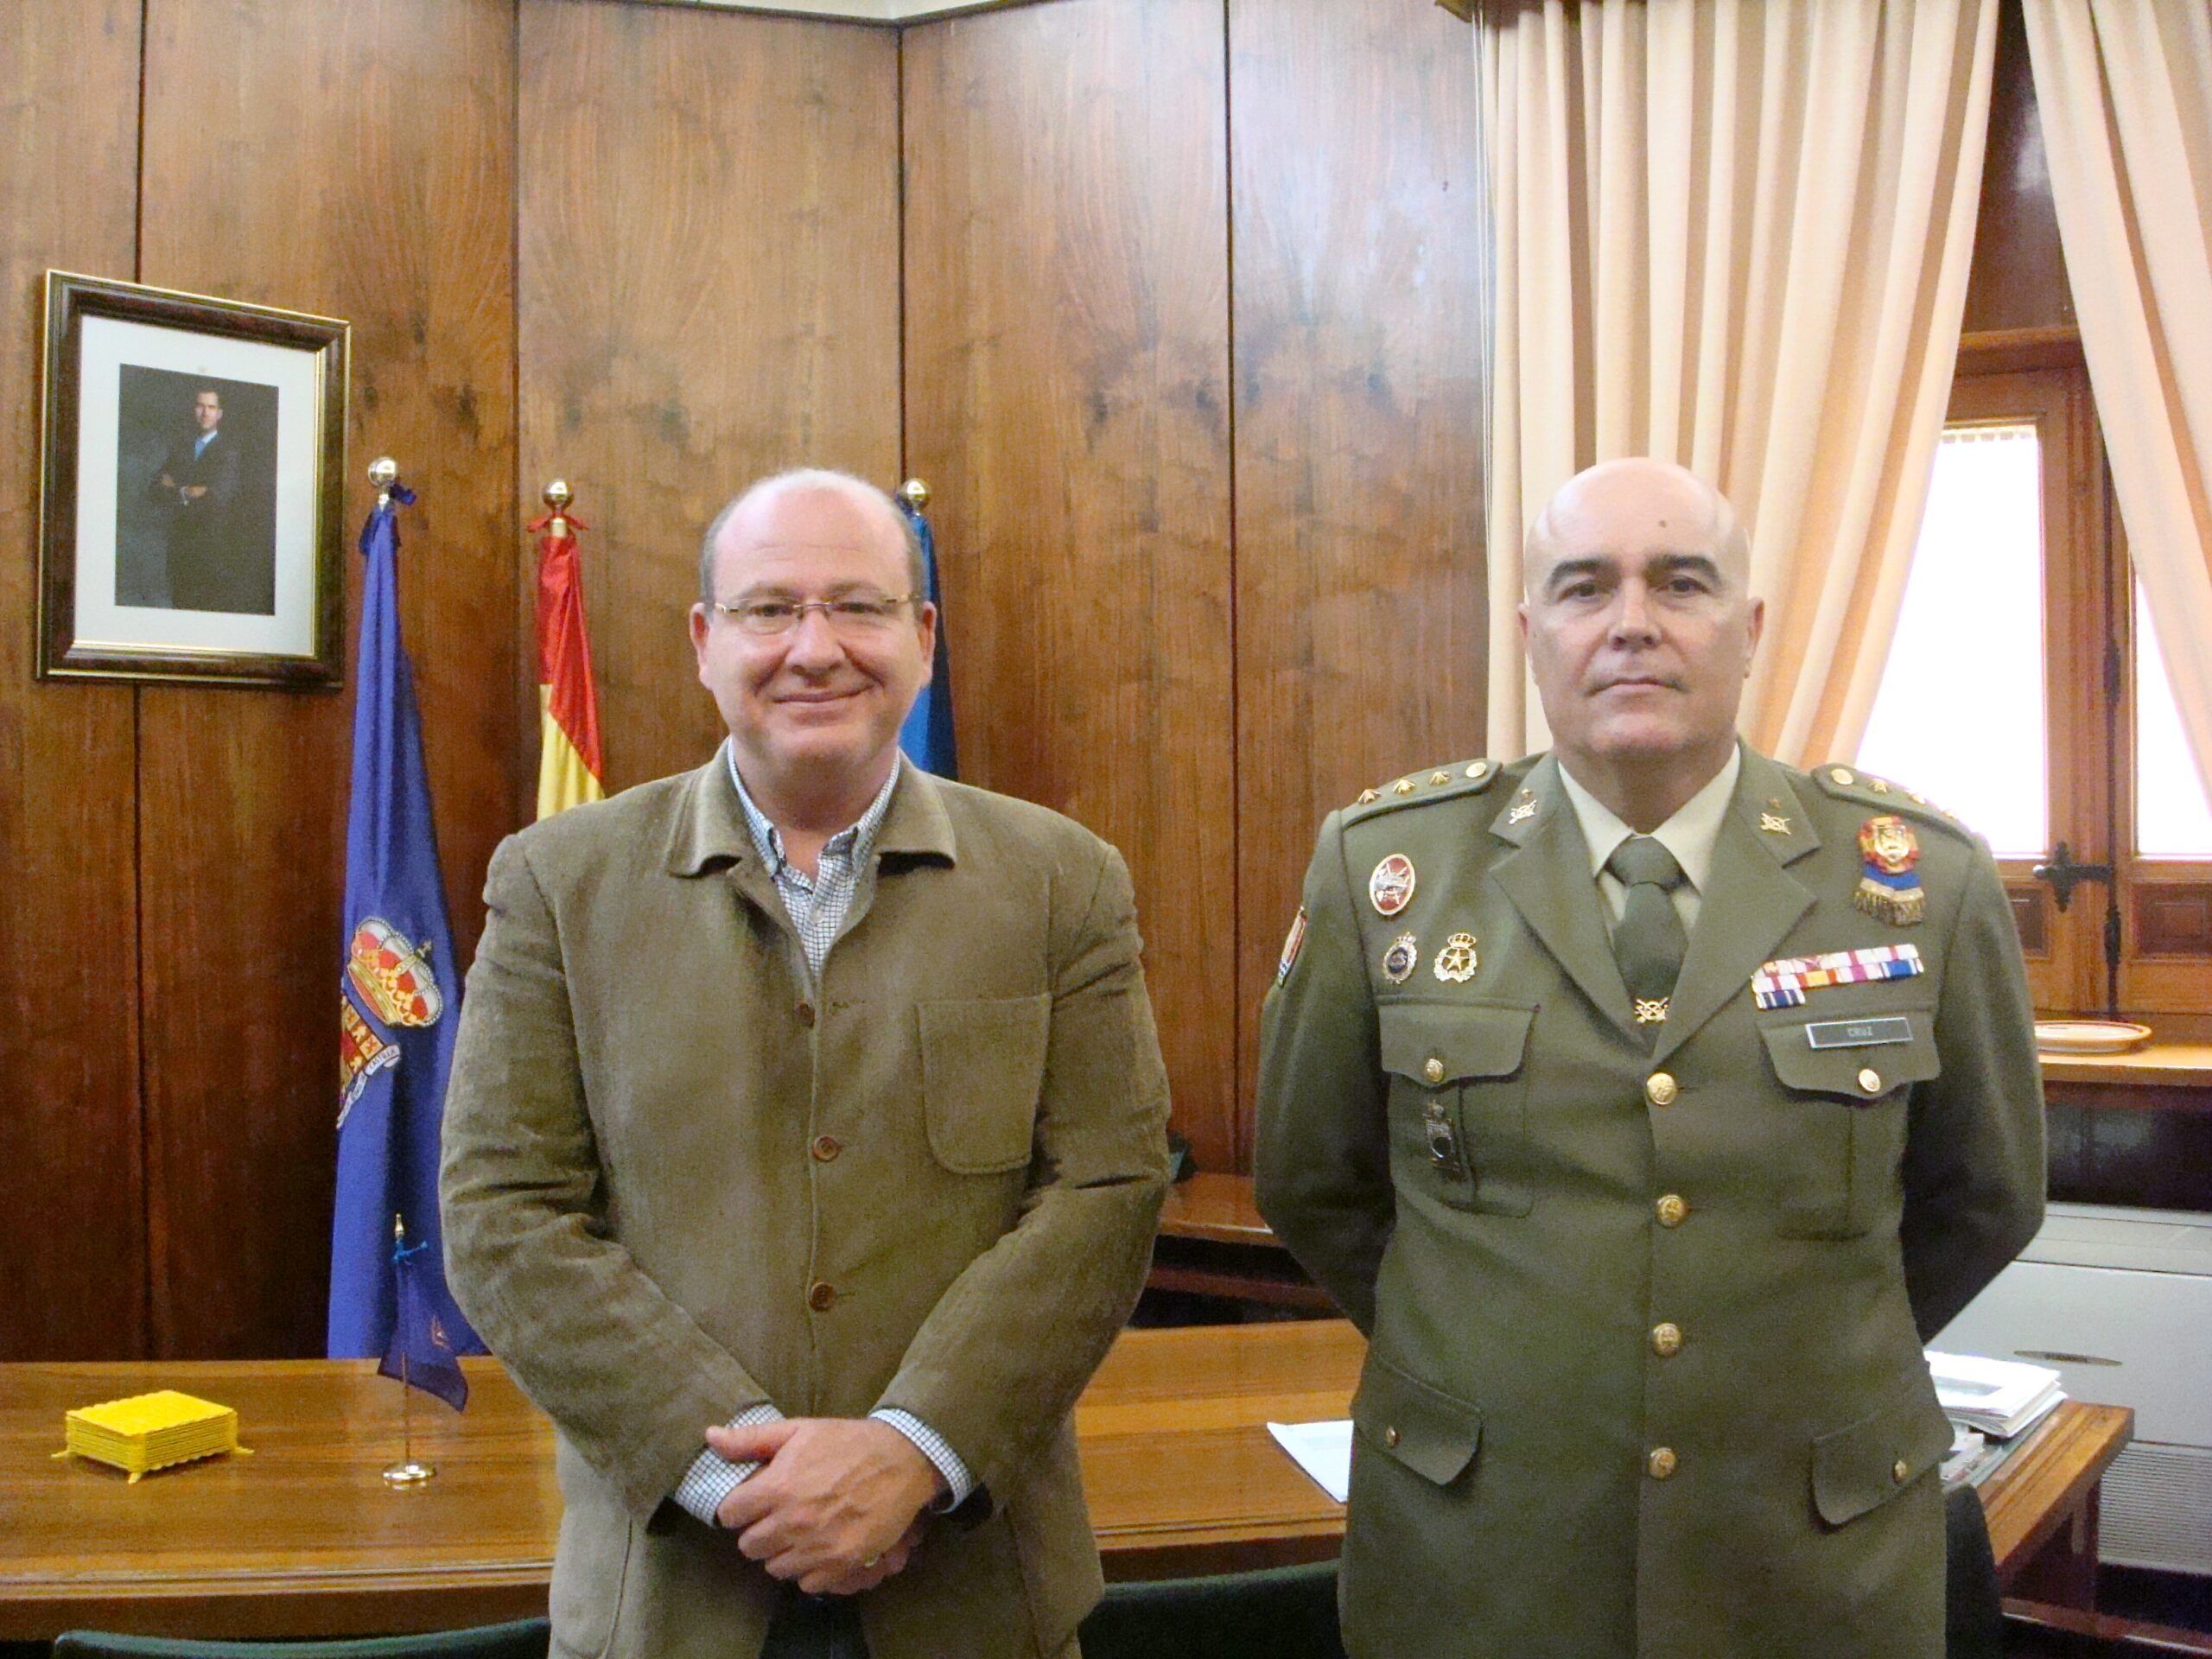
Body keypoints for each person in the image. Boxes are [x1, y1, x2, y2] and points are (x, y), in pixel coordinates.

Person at [1254, 457, 2044, 1659]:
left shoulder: (1918, 878)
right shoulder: (1387, 873)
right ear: (1531, 634)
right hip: (1486, 1555)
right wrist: (1496, 1351)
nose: (1632, 624)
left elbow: (1984, 1197)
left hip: (1809, 1558)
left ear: (1751, 628)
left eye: (1681, 584)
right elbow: (1315, 1180)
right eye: (1584, 589)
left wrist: (1795, 1362)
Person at [442, 468, 1172, 1659]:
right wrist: (733, 1476)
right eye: (770, 609)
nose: (815, 649)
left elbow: (1108, 1189)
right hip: (671, 1600)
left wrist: (912, 1452)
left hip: (978, 1600)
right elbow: (501, 1213)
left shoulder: (1062, 881)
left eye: (859, 607)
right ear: (703, 641)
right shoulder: (558, 884)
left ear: (923, 639)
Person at [146, 386, 251, 611]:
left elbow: (216, 497)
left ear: (219, 414)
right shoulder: (181, 449)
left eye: (211, 407)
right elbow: (155, 490)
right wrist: (189, 491)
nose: (205, 413)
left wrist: (176, 489)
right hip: (179, 550)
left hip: (211, 552)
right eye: (201, 406)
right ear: (194, 410)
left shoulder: (228, 452)